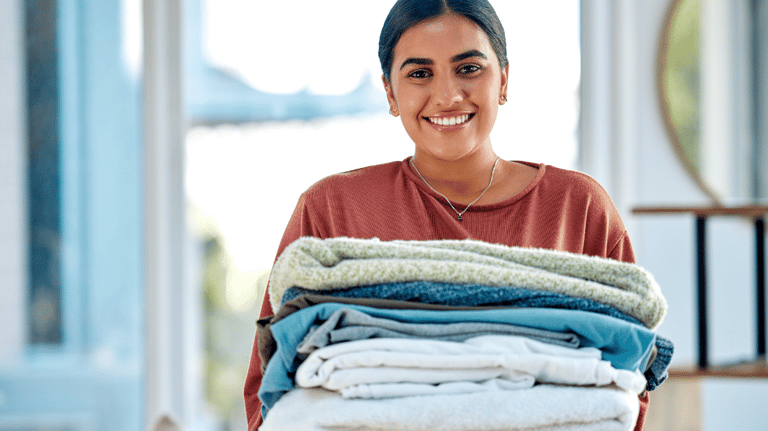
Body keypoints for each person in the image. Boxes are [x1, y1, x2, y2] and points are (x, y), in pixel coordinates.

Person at [244, 0, 649, 429]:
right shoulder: (331, 208)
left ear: (504, 80)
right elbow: (270, 387)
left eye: (469, 68)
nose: (447, 95)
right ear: (390, 93)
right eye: (420, 74)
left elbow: (628, 377)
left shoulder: (577, 208)